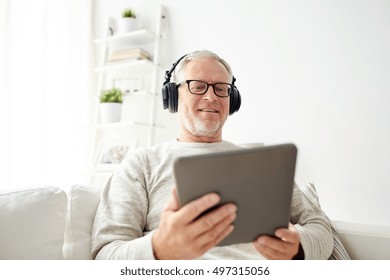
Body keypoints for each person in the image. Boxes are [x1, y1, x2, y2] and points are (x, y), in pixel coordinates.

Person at [91, 50, 334, 260]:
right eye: (198, 86)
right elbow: (105, 253)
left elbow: (319, 226)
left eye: (221, 89)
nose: (211, 97)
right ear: (173, 95)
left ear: (233, 100)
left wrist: (299, 248)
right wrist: (160, 248)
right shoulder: (141, 164)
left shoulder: (263, 164)